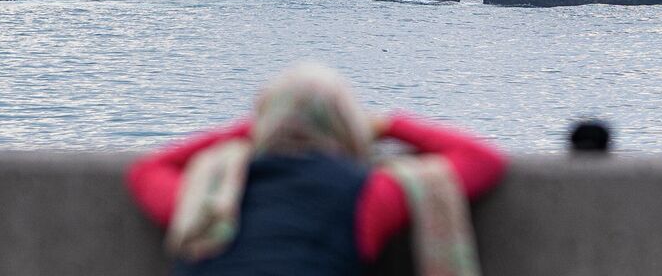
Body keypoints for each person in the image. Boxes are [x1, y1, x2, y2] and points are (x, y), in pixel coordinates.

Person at [126, 63, 507, 276]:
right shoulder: (364, 195)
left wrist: (258, 127)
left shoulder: (211, 194)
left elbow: (149, 169)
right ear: (346, 125)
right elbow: (481, 160)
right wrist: (384, 124)